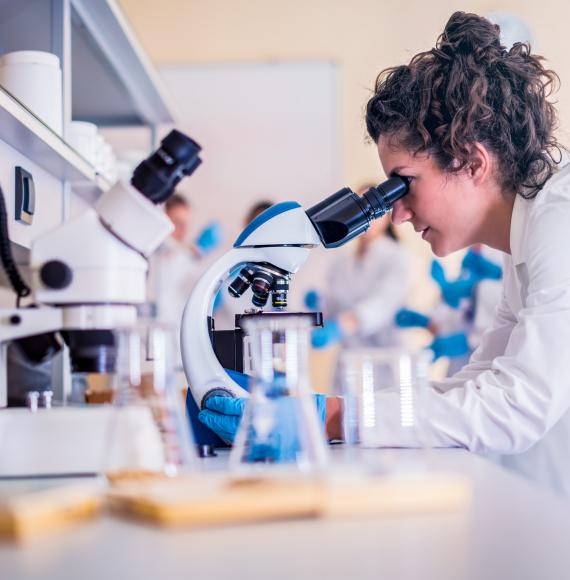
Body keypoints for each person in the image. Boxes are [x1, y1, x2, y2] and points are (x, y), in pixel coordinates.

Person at [200, 11, 570, 496]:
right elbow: (477, 380)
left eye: (404, 183)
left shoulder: (558, 219)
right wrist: (331, 409)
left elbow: (516, 405)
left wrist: (330, 417)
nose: (397, 215)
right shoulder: (529, 233)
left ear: (473, 162)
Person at [308, 183, 412, 354]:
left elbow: (382, 303)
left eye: (373, 208)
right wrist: (319, 304)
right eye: (359, 207)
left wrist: (342, 325)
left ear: (387, 216)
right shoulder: (341, 262)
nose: (366, 214)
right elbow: (335, 307)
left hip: (385, 359)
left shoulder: (396, 256)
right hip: (348, 359)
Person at [147, 193, 222, 333]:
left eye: (185, 224)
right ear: (164, 218)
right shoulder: (149, 254)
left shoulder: (186, 260)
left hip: (175, 336)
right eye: (177, 222)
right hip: (150, 332)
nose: (182, 230)